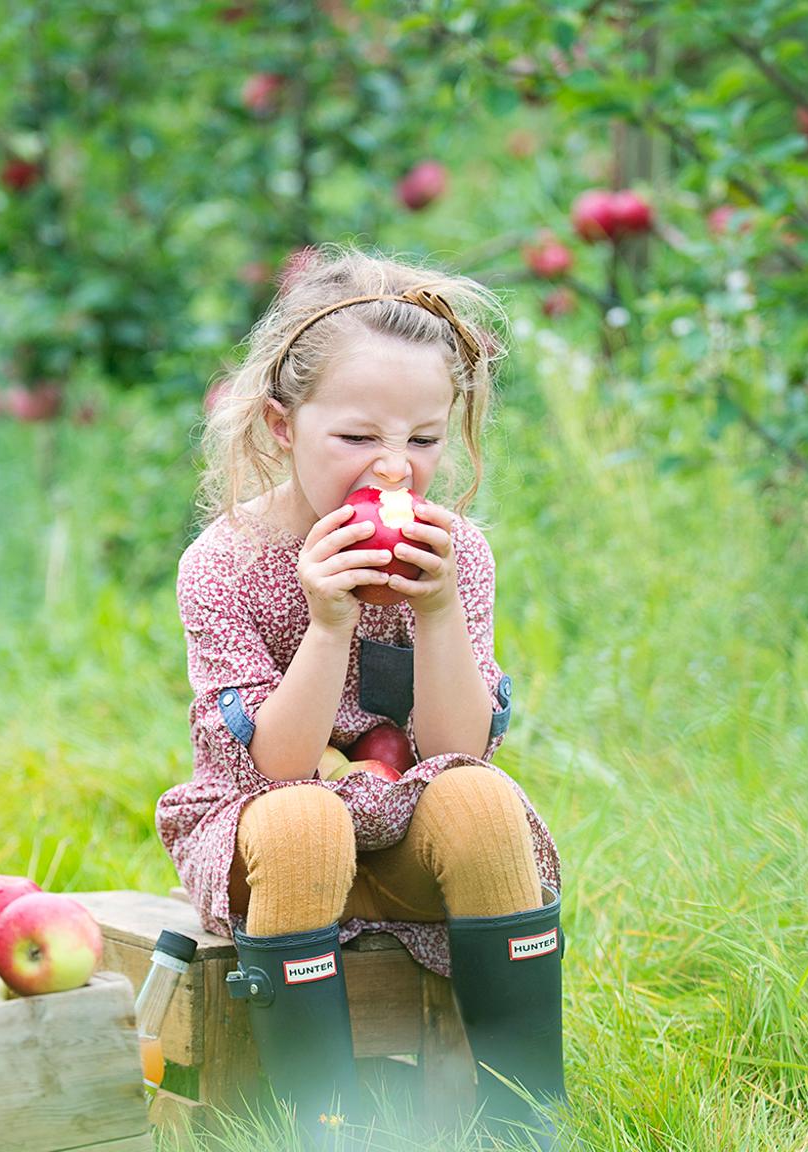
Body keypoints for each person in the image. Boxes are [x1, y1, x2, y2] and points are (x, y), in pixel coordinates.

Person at [156, 245, 564, 1149]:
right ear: (280, 426)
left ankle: (523, 1119)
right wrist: (328, 620)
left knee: (485, 797)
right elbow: (277, 770)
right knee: (305, 817)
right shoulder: (223, 565)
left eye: (423, 440)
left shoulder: (454, 557)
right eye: (357, 438)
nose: (394, 470)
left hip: (403, 824)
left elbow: (459, 749)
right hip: (271, 840)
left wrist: (440, 610)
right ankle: (325, 1127)